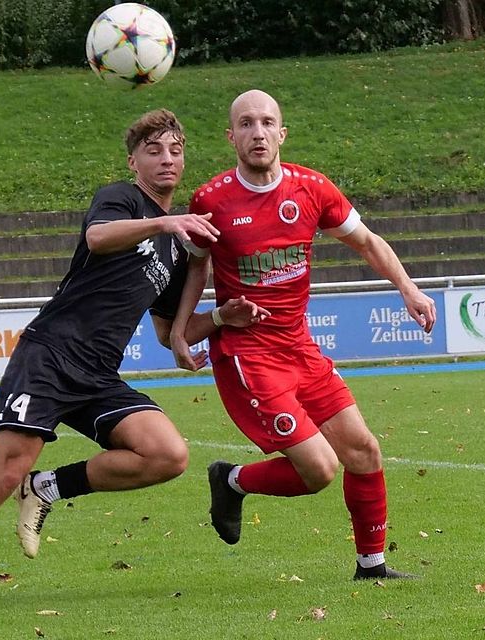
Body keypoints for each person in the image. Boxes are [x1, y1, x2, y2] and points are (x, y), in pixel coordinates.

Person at [0, 109, 269, 620]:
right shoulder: (120, 198)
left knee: (166, 454)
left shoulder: (174, 248)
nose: (167, 160)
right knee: (4, 471)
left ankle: (46, 487)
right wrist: (166, 220)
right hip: (49, 356)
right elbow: (99, 237)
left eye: (176, 150)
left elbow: (171, 336)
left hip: (96, 374)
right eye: (155, 150)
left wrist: (223, 318)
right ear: (134, 160)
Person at [170, 89, 437, 581]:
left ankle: (372, 566)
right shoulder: (212, 200)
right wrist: (184, 331)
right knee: (319, 470)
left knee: (364, 451)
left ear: (282, 133)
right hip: (249, 355)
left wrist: (409, 290)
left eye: (267, 123)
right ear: (231, 137)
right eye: (246, 124)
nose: (258, 133)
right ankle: (231, 480)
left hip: (300, 347)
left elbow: (366, 241)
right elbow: (196, 269)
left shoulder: (311, 189)